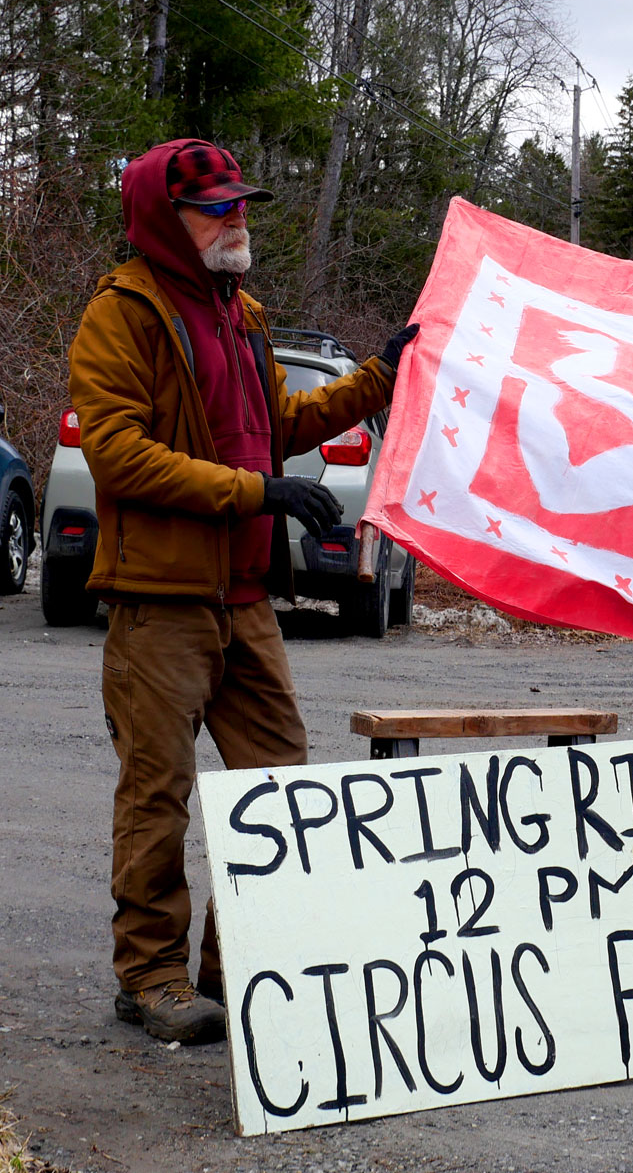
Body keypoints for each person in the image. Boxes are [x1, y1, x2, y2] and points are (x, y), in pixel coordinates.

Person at [68, 138, 418, 1046]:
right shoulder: (123, 315)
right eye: (216, 207)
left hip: (244, 598)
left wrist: (378, 378)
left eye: (241, 203)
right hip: (160, 599)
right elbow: (116, 451)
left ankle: (238, 967)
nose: (238, 219)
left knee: (276, 787)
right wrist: (256, 492)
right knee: (159, 793)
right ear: (164, 220)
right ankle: (149, 978)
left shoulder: (243, 314)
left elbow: (278, 424)